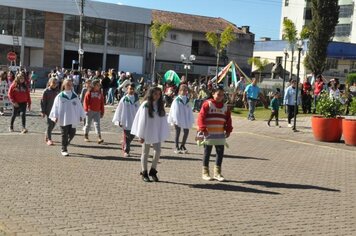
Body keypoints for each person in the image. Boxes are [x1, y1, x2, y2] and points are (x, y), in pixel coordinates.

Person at [131, 87, 170, 182]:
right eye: (155, 94)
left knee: (158, 151)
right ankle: (144, 172)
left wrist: (162, 132)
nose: (157, 96)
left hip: (156, 132)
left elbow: (162, 120)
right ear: (151, 94)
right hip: (146, 132)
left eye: (159, 94)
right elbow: (141, 120)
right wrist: (141, 135)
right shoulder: (146, 105)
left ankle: (153, 170)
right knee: (145, 152)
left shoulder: (160, 106)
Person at [197, 86, 233, 182]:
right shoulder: (207, 104)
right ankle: (205, 172)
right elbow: (201, 117)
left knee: (220, 153)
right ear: (213, 94)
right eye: (218, 94)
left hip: (219, 134)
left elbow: (228, 120)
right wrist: (203, 129)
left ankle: (217, 173)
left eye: (222, 95)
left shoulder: (225, 107)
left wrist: (228, 130)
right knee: (207, 153)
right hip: (208, 133)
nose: (220, 97)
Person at [49, 79, 86, 156]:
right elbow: (55, 107)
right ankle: (64, 149)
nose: (69, 86)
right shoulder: (60, 96)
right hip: (63, 118)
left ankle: (66, 143)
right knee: (64, 134)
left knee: (72, 132)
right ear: (64, 86)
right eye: (67, 84)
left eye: (70, 84)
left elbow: (79, 107)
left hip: (72, 118)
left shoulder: (75, 96)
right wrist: (55, 116)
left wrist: (81, 115)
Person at [113, 83, 140, 158]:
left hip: (134, 121)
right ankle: (126, 151)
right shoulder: (124, 99)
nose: (131, 90)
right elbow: (119, 110)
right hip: (126, 120)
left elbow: (139, 110)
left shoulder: (136, 100)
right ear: (127, 89)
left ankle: (124, 144)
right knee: (127, 137)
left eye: (133, 89)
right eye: (130, 89)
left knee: (132, 135)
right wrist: (118, 120)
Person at [168, 84, 194, 154]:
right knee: (178, 132)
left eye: (186, 90)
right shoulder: (177, 100)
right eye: (183, 90)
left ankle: (182, 145)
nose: (185, 92)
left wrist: (190, 119)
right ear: (180, 91)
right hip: (178, 118)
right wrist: (176, 120)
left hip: (185, 118)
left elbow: (189, 110)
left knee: (186, 131)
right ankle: (177, 146)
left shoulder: (187, 100)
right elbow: (175, 110)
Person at [83, 80, 105, 144]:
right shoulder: (89, 92)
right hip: (90, 111)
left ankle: (99, 137)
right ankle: (86, 135)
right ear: (94, 85)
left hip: (97, 111)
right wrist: (86, 109)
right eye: (97, 85)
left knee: (97, 124)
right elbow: (85, 102)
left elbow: (102, 103)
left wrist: (102, 111)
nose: (99, 86)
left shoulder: (100, 93)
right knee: (88, 124)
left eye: (99, 85)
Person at [41, 78, 59, 145]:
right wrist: (42, 111)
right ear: (49, 83)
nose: (55, 84)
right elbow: (43, 102)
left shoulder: (58, 91)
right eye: (53, 83)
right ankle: (49, 139)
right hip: (48, 111)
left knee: (53, 124)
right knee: (49, 124)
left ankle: (47, 134)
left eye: (56, 83)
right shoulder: (46, 91)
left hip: (56, 111)